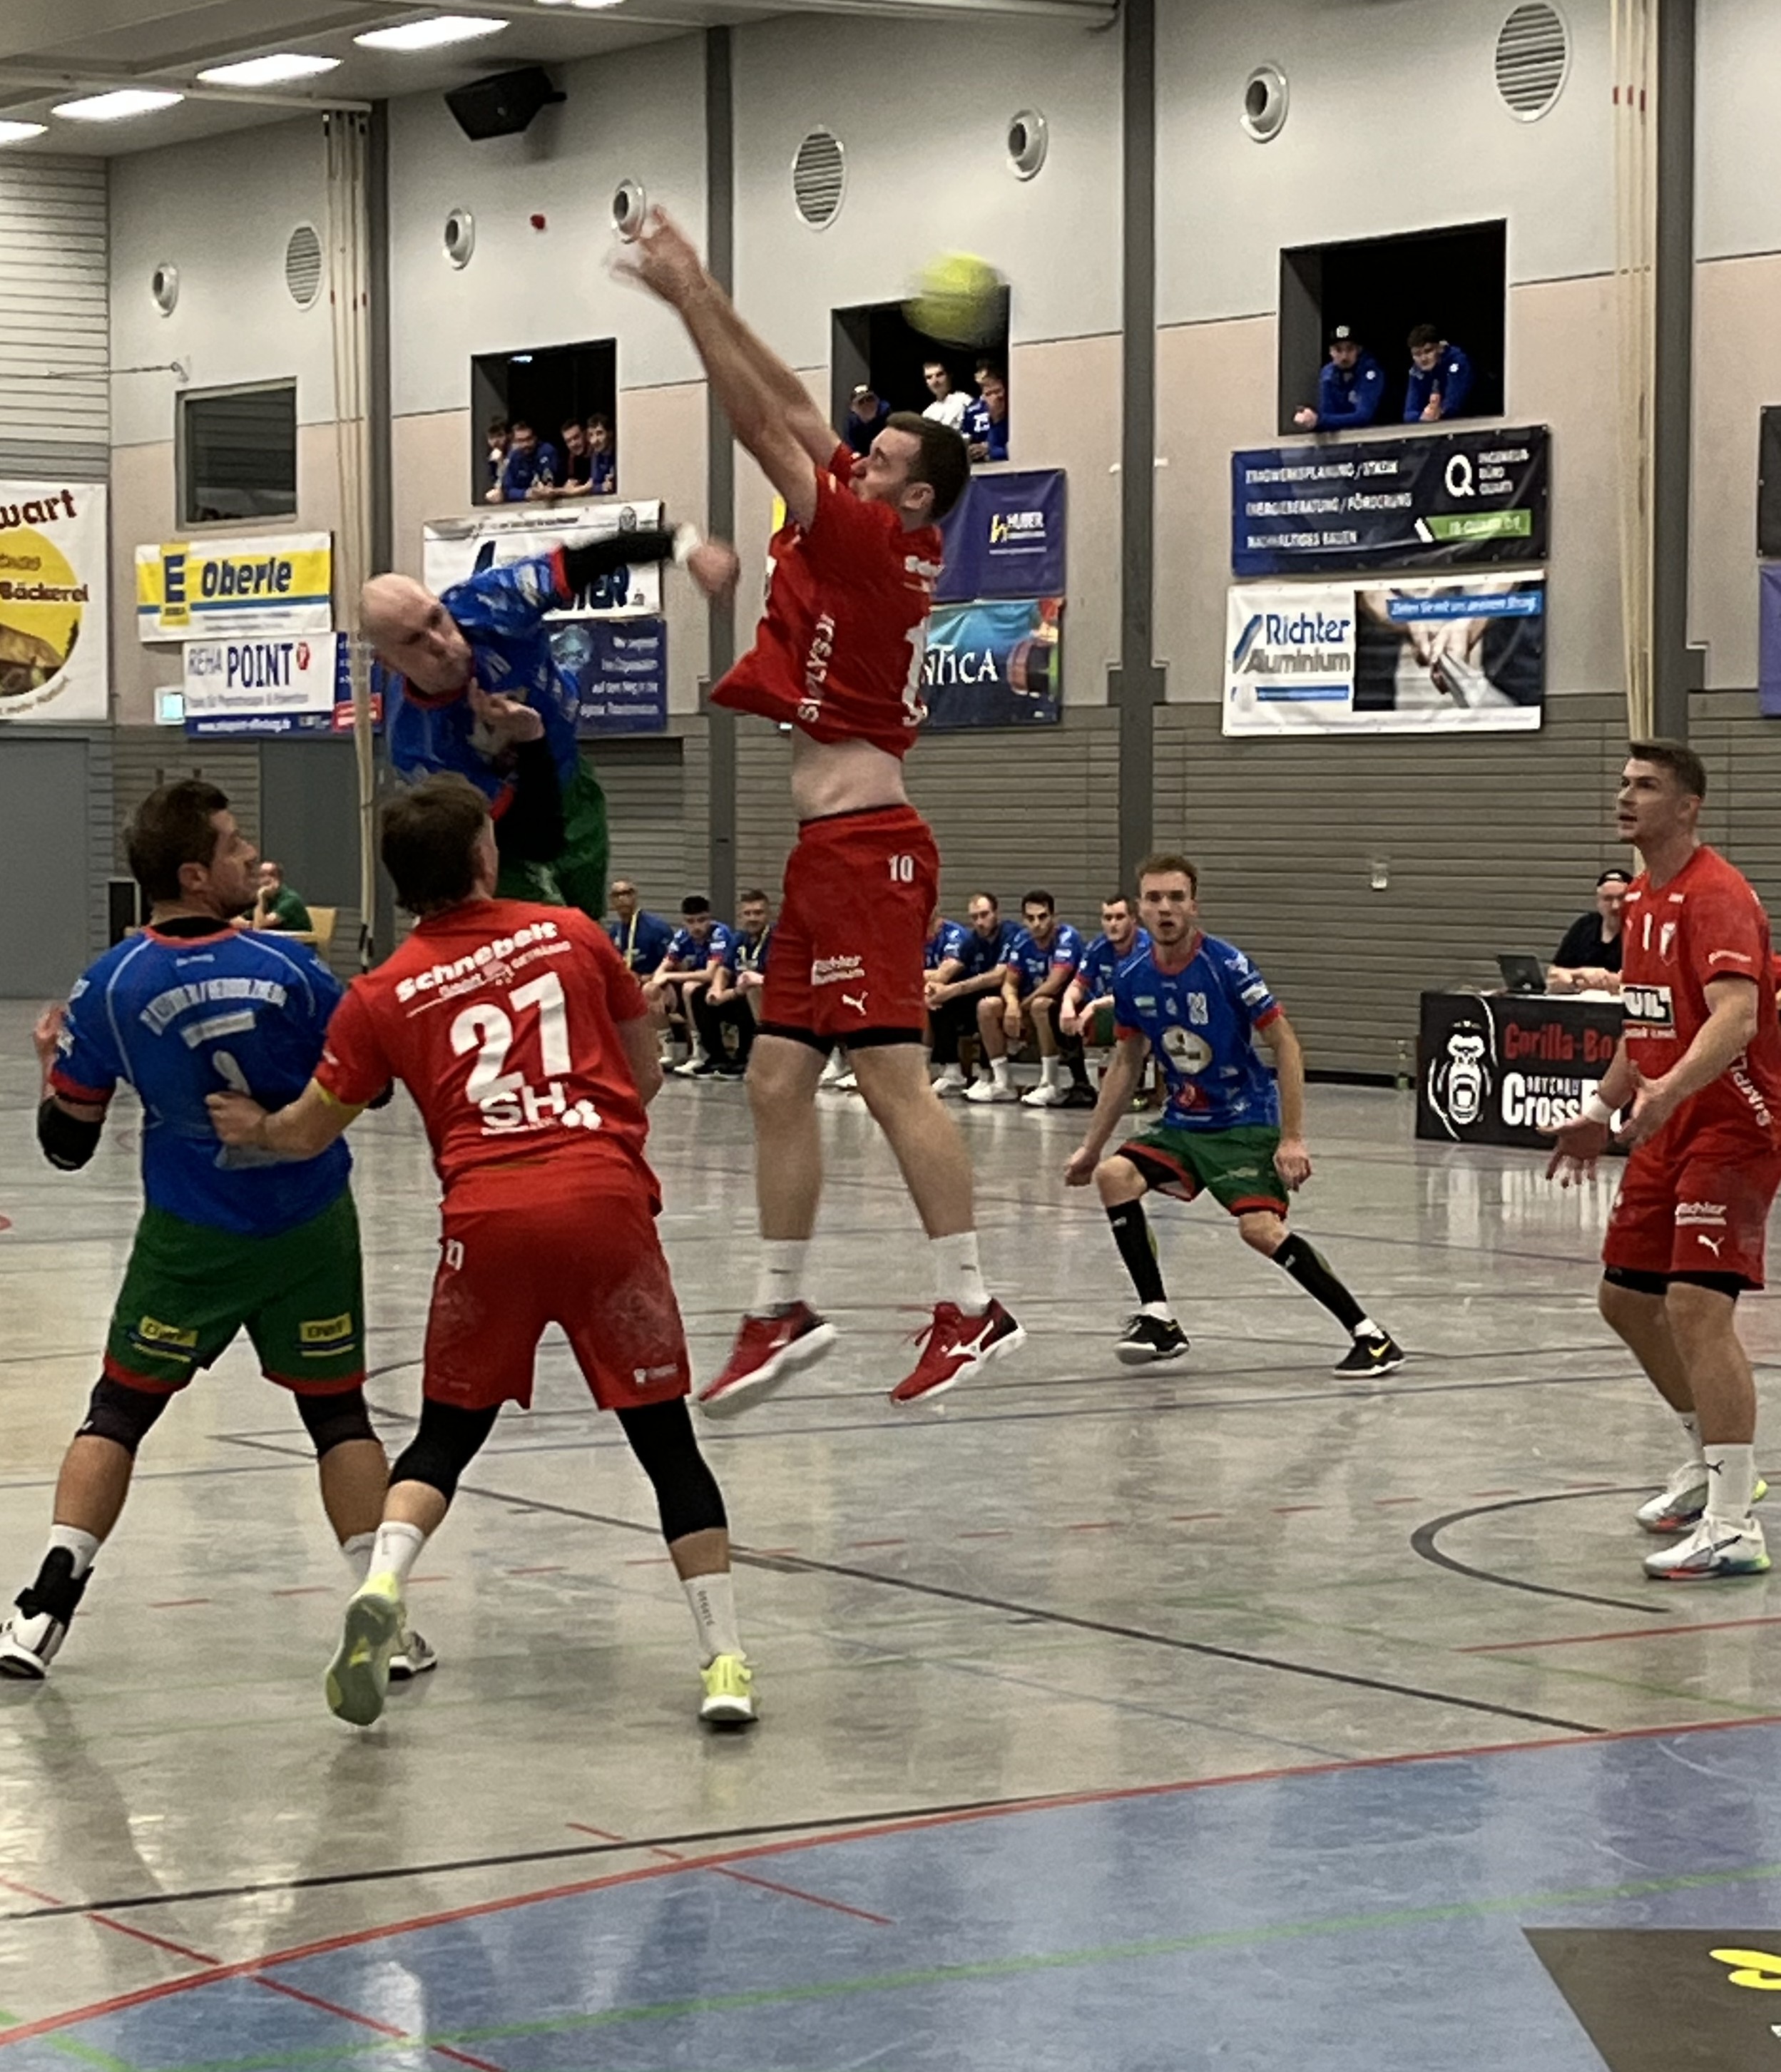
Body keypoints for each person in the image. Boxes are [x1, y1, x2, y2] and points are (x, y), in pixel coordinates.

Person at [208, 774, 754, 1727]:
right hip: (602, 1204)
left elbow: (309, 1130)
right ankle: (725, 1664)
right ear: (483, 858)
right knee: (666, 1442)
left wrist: (256, 1128)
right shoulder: (573, 933)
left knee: (445, 1437)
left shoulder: (379, 994)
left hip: (487, 1218)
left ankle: (383, 1587)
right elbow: (646, 1071)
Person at [617, 208, 1021, 1409]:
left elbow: (758, 428)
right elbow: (796, 406)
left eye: (878, 459)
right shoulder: (873, 511)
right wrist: (702, 287)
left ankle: (971, 1305)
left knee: (892, 1079)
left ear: (913, 497)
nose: (856, 459)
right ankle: (778, 1306)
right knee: (774, 1080)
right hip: (822, 854)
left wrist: (685, 303)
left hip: (868, 850)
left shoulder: (868, 545)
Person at [0, 781, 432, 1685]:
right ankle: (384, 1618)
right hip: (308, 1224)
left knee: (119, 1410)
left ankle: (41, 1610)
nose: (250, 858)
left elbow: (68, 1146)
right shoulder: (293, 971)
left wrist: (51, 1069)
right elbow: (374, 1086)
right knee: (337, 1412)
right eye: (234, 846)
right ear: (195, 874)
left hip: (191, 1232)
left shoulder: (109, 985)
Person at [1545, 742, 1781, 1581]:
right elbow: (1644, 1024)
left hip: (1733, 1125)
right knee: (1624, 1299)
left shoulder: (1716, 895)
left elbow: (1735, 1018)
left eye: (1645, 786)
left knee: (1694, 1307)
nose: (1626, 796)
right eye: (1623, 783)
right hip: (1666, 1121)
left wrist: (1669, 1092)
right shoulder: (1641, 897)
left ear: (1687, 807)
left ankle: (1733, 1525)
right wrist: (1598, 1112)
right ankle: (1707, 1460)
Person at [1064, 854, 1404, 1374]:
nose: (1165, 908)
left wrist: (1292, 1137)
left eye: (1176, 898)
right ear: (1139, 910)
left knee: (1259, 1230)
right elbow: (1127, 1062)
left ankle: (1371, 1336)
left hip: (1244, 1120)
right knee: (1114, 1176)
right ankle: (1159, 1318)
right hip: (1183, 1122)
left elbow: (1285, 1044)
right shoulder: (1132, 977)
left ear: (1194, 906)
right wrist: (1091, 1147)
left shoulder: (1225, 965)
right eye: (1154, 898)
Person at [364, 520, 738, 927]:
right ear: (388, 662)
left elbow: (587, 561)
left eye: (436, 619)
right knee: (551, 932)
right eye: (414, 641)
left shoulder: (488, 604)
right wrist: (530, 739)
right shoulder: (418, 745)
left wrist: (686, 547)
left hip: (571, 780)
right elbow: (535, 839)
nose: (439, 643)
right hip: (506, 838)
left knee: (587, 922)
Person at [933, 892, 1026, 1103]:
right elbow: (953, 967)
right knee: (940, 1001)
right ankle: (952, 1072)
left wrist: (954, 989)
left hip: (1012, 997)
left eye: (984, 915)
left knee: (986, 1004)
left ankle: (990, 1075)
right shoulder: (972, 940)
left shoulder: (1012, 934)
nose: (980, 922)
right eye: (974, 917)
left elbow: (999, 976)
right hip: (981, 997)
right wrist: (936, 988)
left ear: (996, 914)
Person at [1010, 890, 1087, 1108]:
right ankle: (998, 1079)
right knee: (989, 1006)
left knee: (1039, 1005)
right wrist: (1012, 1007)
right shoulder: (1021, 939)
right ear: (1023, 919)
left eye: (1042, 917)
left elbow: (1055, 983)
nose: (1037, 924)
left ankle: (1050, 1082)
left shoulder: (1067, 937)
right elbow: (1009, 981)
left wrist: (1023, 1007)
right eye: (1030, 918)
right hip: (1036, 1002)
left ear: (1054, 917)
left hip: (1072, 1003)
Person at [645, 896, 735, 1076]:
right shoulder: (682, 936)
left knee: (689, 987)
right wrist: (657, 983)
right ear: (684, 921)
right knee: (650, 989)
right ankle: (669, 1050)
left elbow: (710, 974)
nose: (696, 927)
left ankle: (699, 1052)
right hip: (696, 988)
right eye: (691, 921)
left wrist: (669, 976)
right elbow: (662, 970)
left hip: (720, 988)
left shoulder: (719, 933)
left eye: (702, 920)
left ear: (710, 918)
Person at [1061, 894, 1149, 1076]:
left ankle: (1134, 1079)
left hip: (1141, 1009)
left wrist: (1095, 1005)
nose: (1113, 924)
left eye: (1119, 917)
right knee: (1056, 1009)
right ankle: (1079, 1083)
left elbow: (1137, 994)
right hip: (1105, 1011)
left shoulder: (1147, 948)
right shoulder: (1097, 947)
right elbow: (1078, 985)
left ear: (1133, 919)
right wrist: (1067, 1005)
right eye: (1108, 918)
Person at [698, 889, 773, 1079]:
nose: (752, 918)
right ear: (740, 916)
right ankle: (717, 1057)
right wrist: (716, 989)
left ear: (768, 914)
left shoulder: (776, 940)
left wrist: (732, 993)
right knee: (700, 994)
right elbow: (724, 969)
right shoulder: (739, 938)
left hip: (766, 998)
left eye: (758, 913)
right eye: (748, 913)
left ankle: (744, 1058)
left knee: (749, 993)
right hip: (739, 993)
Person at [1547, 869, 1630, 995]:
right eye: (1608, 899)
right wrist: (1581, 974)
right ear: (1598, 901)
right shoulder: (1584, 926)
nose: (1615, 906)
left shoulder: (1643, 931)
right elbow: (1554, 975)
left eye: (1621, 898)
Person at [1293, 325, 1384, 433]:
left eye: (1350, 349)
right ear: (1331, 352)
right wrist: (1311, 420)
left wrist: (1319, 420)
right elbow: (1327, 413)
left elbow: (1364, 416)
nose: (1344, 356)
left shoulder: (1370, 372)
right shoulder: (1328, 374)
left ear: (1358, 350)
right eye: (1338, 350)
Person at [924, 911, 970, 1093]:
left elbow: (942, 975)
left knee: (937, 998)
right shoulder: (911, 935)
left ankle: (953, 1071)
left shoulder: (955, 935)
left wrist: (910, 975)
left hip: (963, 999)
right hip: (924, 991)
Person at [1403, 326, 1473, 424]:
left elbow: (1454, 404)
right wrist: (1422, 417)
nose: (1423, 359)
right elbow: (1409, 413)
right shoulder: (1416, 371)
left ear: (1440, 348)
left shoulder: (1457, 360)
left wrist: (1439, 412)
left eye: (1428, 351)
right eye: (1417, 354)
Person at [607, 877, 675, 976]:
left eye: (627, 893)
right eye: (616, 895)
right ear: (611, 900)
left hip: (654, 982)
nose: (621, 898)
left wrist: (648, 978)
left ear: (635, 895)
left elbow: (674, 964)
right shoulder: (614, 933)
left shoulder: (657, 929)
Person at [493, 418, 558, 503]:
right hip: (523, 505)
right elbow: (507, 490)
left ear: (535, 438)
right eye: (520, 441)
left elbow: (553, 479)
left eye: (529, 439)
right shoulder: (513, 457)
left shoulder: (547, 451)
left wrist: (546, 487)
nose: (526, 444)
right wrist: (525, 494)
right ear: (514, 442)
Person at [251, 858, 311, 933]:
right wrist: (252, 923)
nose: (266, 879)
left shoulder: (290, 900)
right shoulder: (267, 897)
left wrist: (260, 897)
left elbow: (259, 927)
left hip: (297, 940)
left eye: (272, 875)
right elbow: (237, 920)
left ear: (278, 879)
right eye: (261, 875)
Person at [962, 369, 1009, 464]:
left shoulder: (1017, 414)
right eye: (988, 394)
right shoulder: (973, 410)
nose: (994, 398)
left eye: (998, 391)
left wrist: (989, 450)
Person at [548, 419, 593, 498]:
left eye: (576, 437)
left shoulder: (598, 452)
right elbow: (571, 484)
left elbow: (593, 485)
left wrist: (558, 491)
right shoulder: (571, 459)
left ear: (586, 434)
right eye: (568, 441)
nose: (573, 444)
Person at [921, 359, 969, 433]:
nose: (935, 381)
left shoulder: (965, 401)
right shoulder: (927, 414)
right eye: (929, 377)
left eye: (939, 375)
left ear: (950, 376)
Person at [846, 385, 891, 456]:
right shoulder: (853, 423)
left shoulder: (886, 415)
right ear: (853, 408)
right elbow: (852, 448)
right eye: (861, 402)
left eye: (870, 399)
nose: (866, 404)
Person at [586, 416, 617, 496]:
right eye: (591, 435)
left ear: (610, 433)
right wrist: (602, 487)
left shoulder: (619, 453)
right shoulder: (596, 455)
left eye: (599, 433)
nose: (594, 441)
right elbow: (593, 485)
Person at [484, 417, 509, 500]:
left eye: (500, 436)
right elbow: (495, 481)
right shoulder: (492, 458)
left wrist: (501, 463)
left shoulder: (515, 455)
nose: (496, 441)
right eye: (491, 438)